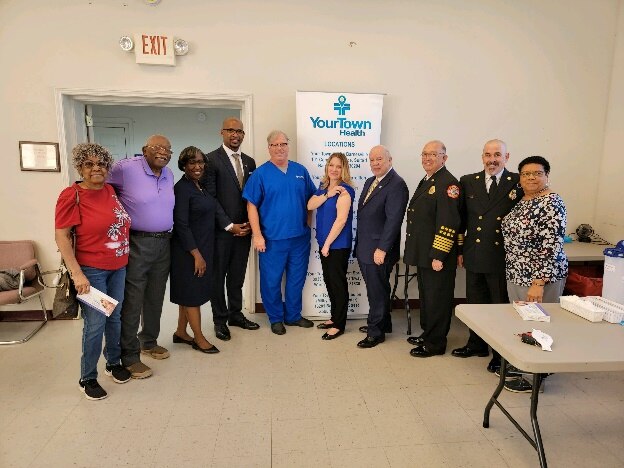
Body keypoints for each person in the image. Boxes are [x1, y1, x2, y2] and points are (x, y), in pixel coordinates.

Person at [55, 143, 131, 400]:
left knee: (115, 317)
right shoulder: (72, 195)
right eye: (89, 164)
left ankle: (113, 362)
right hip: (92, 271)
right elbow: (62, 237)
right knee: (96, 323)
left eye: (101, 164)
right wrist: (77, 274)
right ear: (80, 168)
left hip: (118, 266)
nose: (96, 168)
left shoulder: (110, 190)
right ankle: (87, 377)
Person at [451, 139, 522, 374]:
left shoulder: (517, 182)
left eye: (497, 155)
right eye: (488, 155)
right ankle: (477, 343)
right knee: (476, 304)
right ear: (482, 157)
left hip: (500, 256)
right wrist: (460, 250)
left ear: (506, 157)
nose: (492, 160)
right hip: (474, 253)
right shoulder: (469, 181)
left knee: (499, 306)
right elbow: (461, 220)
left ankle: (499, 353)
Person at [108, 134, 175, 379]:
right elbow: (98, 188)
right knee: (133, 300)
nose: (163, 152)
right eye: (158, 147)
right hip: (137, 241)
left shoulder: (168, 174)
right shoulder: (125, 169)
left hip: (164, 242)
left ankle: (148, 341)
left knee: (155, 296)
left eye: (168, 149)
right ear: (145, 149)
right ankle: (129, 356)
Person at [501, 155, 568, 392]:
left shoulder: (551, 202)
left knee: (541, 325)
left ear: (547, 175)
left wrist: (538, 282)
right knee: (526, 323)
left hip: (538, 278)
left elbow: (551, 245)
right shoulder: (525, 200)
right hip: (518, 274)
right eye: (526, 174)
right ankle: (527, 369)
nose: (531, 177)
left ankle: (536, 378)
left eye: (537, 173)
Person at [243, 130, 316, 335]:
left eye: (283, 144)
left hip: (299, 238)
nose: (279, 148)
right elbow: (251, 206)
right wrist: (257, 235)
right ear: (269, 148)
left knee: (296, 279)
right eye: (275, 145)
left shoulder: (300, 170)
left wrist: (307, 224)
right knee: (271, 280)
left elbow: (311, 200)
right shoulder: (261, 174)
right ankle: (275, 318)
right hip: (272, 239)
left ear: (288, 145)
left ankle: (293, 316)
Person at [201, 117, 259, 342]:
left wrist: (249, 225)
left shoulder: (249, 162)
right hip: (222, 231)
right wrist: (228, 225)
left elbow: (252, 198)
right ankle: (220, 320)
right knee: (218, 277)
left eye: (239, 131)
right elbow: (211, 198)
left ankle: (236, 315)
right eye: (230, 130)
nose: (235, 135)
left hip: (244, 230)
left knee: (237, 275)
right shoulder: (210, 160)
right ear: (222, 132)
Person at [404, 140, 461, 357]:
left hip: (436, 255)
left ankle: (435, 344)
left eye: (433, 154)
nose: (427, 158)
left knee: (437, 299)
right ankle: (428, 334)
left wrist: (439, 255)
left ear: (444, 158)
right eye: (424, 154)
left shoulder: (448, 184)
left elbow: (449, 222)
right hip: (424, 253)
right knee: (427, 297)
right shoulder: (429, 179)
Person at [355, 145, 409, 348]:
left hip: (378, 249)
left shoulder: (396, 184)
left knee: (377, 291)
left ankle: (375, 332)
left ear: (390, 160)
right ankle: (383, 323)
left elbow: (393, 221)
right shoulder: (371, 181)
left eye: (379, 159)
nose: (375, 163)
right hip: (366, 246)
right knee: (377, 288)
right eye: (372, 160)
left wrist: (382, 249)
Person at [170, 147, 220, 354]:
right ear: (184, 165)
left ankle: (181, 332)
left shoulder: (199, 186)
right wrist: (196, 254)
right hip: (188, 252)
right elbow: (181, 224)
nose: (197, 166)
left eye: (200, 162)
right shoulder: (182, 189)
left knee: (188, 293)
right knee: (192, 295)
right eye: (192, 163)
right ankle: (199, 338)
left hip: (203, 246)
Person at [307, 152, 356, 340]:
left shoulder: (345, 190)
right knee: (329, 281)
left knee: (338, 284)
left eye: (338, 166)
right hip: (325, 244)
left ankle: (339, 324)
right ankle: (334, 317)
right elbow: (310, 205)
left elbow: (341, 220)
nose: (334, 169)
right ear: (327, 166)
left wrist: (326, 244)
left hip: (337, 245)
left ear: (344, 169)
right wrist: (327, 195)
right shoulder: (324, 186)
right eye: (332, 165)